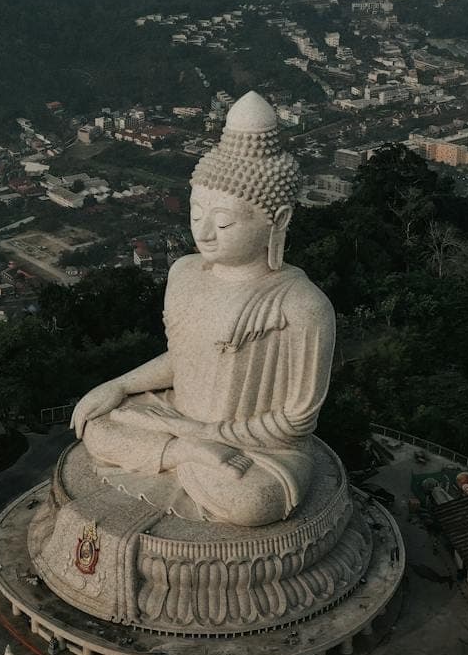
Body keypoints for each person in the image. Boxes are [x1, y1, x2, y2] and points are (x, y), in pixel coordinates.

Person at [70, 94, 334, 528]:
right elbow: (184, 359)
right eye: (195, 214)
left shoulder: (301, 304)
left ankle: (173, 451)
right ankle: (180, 455)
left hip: (257, 446)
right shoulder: (185, 272)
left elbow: (296, 422)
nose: (205, 233)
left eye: (225, 222)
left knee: (255, 502)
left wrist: (203, 432)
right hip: (183, 419)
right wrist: (118, 386)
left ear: (278, 219)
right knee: (95, 421)